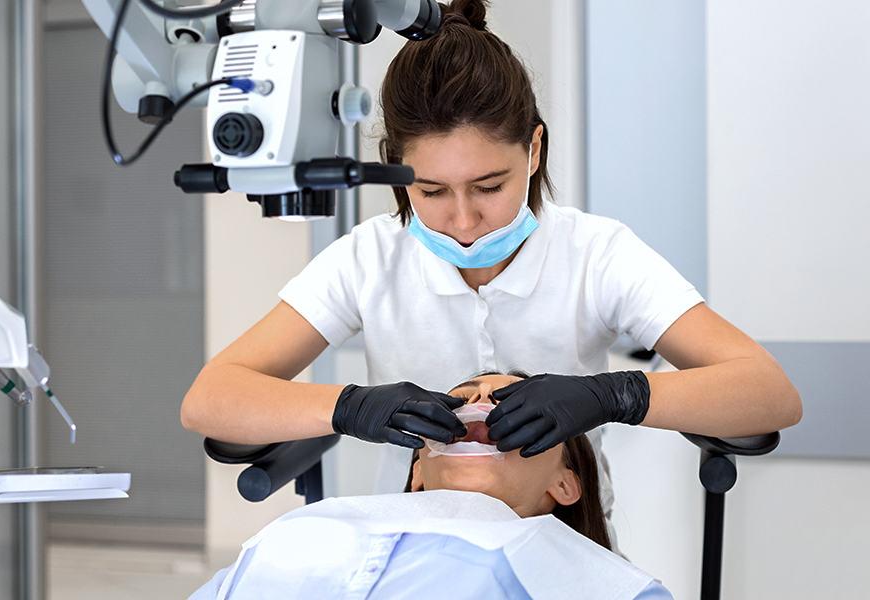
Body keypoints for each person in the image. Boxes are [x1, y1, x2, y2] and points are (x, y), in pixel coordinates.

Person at [181, 0, 801, 519]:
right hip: (412, 546)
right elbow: (211, 399)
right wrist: (349, 407)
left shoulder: (597, 254)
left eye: (488, 186)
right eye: (430, 192)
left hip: (562, 547)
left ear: (533, 149)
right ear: (396, 171)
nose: (463, 219)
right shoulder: (367, 259)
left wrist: (611, 396)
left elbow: (769, 393)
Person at [188, 373, 672, 599]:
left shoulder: (592, 582)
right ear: (417, 473)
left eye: (516, 410)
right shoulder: (315, 525)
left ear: (567, 485)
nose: (482, 404)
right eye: (463, 402)